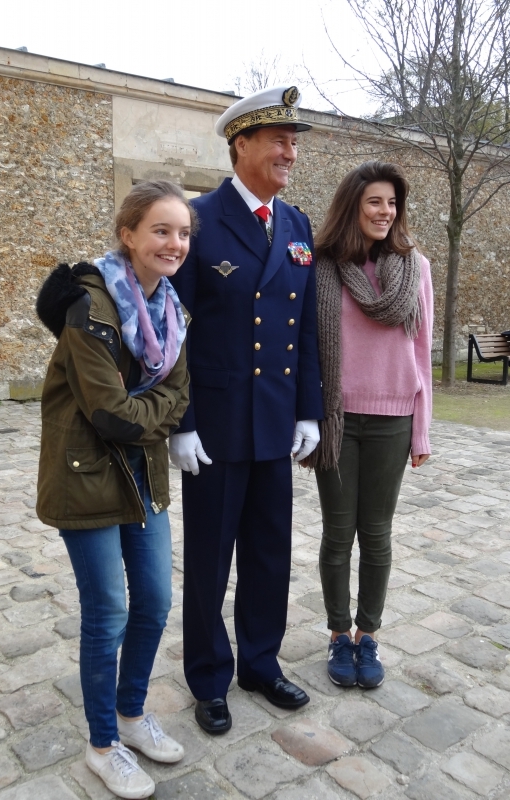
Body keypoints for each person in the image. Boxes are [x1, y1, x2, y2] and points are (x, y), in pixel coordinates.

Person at [169, 86, 324, 734]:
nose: (291, 151)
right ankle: (208, 676)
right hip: (216, 425)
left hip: (274, 422)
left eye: (294, 141)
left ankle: (260, 662)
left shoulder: (296, 225)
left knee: (268, 553)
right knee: (209, 559)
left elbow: (306, 329)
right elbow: (170, 329)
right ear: (242, 145)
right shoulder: (197, 220)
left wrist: (308, 410)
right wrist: (179, 424)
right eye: (279, 139)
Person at [35, 180, 195, 799]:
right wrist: (159, 409)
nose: (173, 243)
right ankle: (103, 744)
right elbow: (109, 414)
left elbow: (180, 394)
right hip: (87, 477)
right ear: (128, 235)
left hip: (142, 476)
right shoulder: (89, 306)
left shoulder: (175, 311)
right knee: (108, 615)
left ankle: (132, 715)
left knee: (154, 602)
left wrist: (153, 407)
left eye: (182, 232)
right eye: (160, 230)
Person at [305, 161, 433, 689]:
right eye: (375, 202)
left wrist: (422, 430)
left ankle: (368, 635)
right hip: (337, 417)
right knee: (338, 535)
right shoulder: (323, 266)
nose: (386, 212)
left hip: (393, 418)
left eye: (392, 203)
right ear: (353, 206)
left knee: (376, 535)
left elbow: (422, 352)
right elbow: (306, 348)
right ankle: (338, 634)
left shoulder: (416, 267)